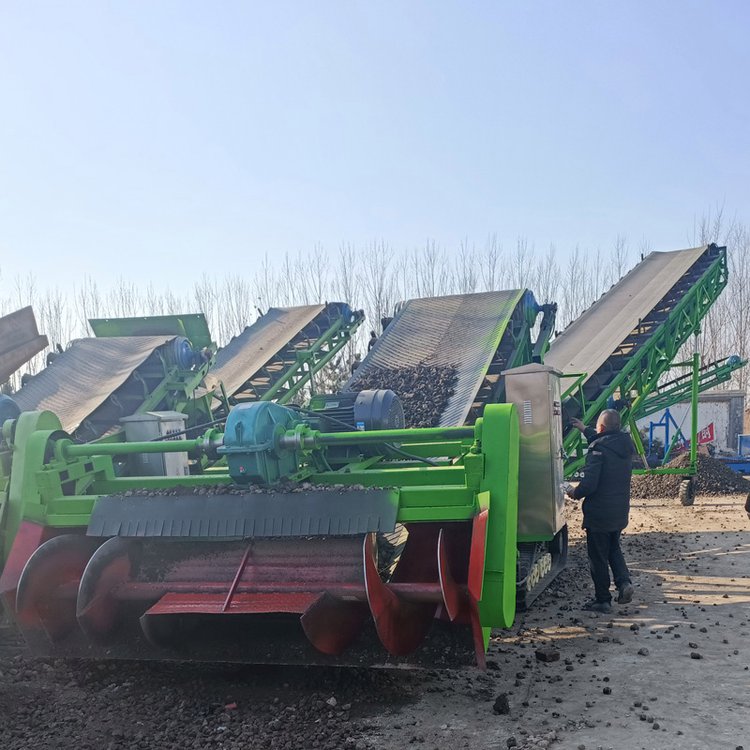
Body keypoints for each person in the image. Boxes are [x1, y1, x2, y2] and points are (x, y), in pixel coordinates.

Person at [567, 409, 635, 613]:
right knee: (613, 548)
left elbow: (589, 484)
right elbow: (604, 438)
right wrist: (583, 428)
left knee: (597, 557)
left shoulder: (597, 450)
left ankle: (603, 600)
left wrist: (575, 492)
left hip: (599, 513)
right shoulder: (623, 444)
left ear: (602, 428)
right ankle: (624, 583)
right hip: (619, 511)